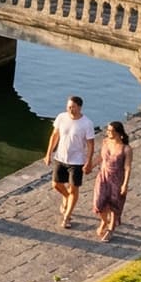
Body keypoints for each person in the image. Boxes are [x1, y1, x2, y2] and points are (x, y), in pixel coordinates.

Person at [45, 95, 94, 230]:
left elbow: (90, 144)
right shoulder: (61, 117)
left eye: (73, 107)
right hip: (60, 157)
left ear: (79, 107)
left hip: (77, 161)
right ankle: (67, 197)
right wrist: (48, 153)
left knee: (74, 188)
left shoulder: (87, 123)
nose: (70, 109)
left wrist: (88, 161)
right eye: (68, 107)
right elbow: (55, 135)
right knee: (56, 184)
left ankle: (67, 216)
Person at [93, 122, 132, 242]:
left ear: (118, 133)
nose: (108, 132)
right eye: (108, 130)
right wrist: (90, 165)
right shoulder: (105, 142)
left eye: (111, 131)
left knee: (114, 204)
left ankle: (111, 229)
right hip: (103, 176)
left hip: (117, 178)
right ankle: (104, 221)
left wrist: (125, 184)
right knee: (99, 202)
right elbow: (101, 157)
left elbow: (127, 167)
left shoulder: (126, 149)